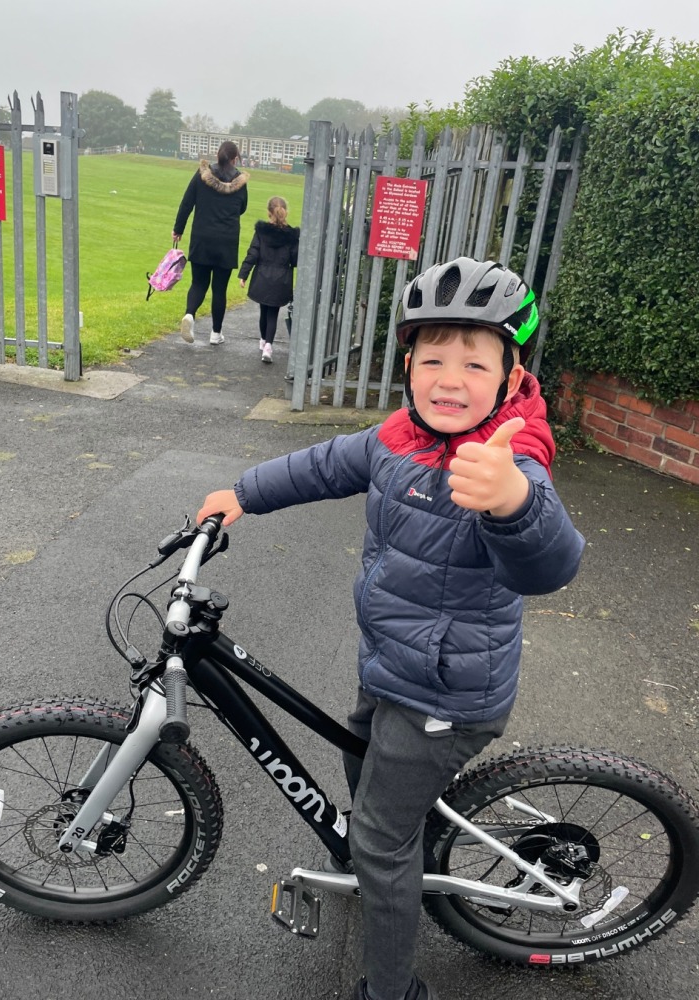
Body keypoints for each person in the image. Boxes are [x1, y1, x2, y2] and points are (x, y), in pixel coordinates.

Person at [197, 257, 585, 1000]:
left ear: (509, 380)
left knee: (379, 837)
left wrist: (511, 503)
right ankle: (381, 851)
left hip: (447, 695)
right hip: (395, 665)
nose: (449, 377)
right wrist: (243, 493)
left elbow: (550, 565)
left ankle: (393, 987)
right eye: (433, 357)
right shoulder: (398, 438)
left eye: (475, 362)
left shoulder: (508, 463)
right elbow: (323, 465)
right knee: (357, 751)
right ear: (408, 365)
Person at [172, 141, 249, 346]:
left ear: (217, 156)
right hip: (227, 240)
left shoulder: (201, 176)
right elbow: (242, 207)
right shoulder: (240, 182)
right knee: (219, 289)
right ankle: (216, 333)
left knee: (198, 283)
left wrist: (178, 229)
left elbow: (187, 202)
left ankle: (189, 315)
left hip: (202, 238)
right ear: (234, 159)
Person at [238, 196, 300, 363]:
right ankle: (268, 346)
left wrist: (243, 274)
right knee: (273, 312)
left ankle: (264, 340)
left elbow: (253, 253)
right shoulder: (293, 236)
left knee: (263, 311)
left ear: (268, 213)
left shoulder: (261, 232)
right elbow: (295, 260)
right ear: (286, 212)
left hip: (262, 276)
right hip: (282, 279)